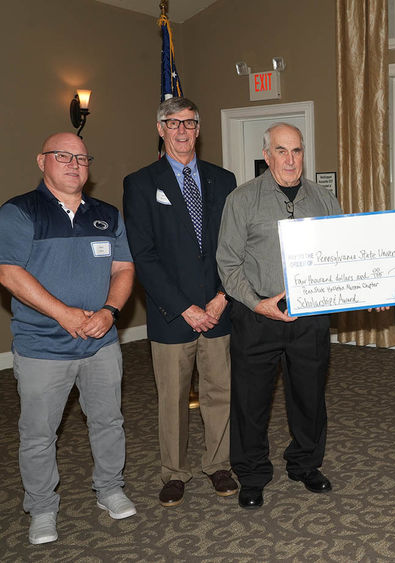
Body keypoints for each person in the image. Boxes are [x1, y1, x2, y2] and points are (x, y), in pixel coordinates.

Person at [0, 133, 136, 544]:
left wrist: (110, 312)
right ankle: (41, 508)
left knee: (108, 421)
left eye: (81, 157)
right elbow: (9, 273)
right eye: (63, 156)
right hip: (43, 348)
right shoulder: (20, 211)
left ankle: (110, 488)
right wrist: (65, 315)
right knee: (39, 434)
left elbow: (124, 269)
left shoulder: (107, 214)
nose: (74, 163)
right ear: (43, 161)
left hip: (100, 344)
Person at [217, 122, 343, 509]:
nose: (290, 159)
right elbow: (228, 263)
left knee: (308, 397)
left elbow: (341, 254)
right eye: (282, 151)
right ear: (267, 155)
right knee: (251, 402)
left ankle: (305, 463)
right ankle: (252, 474)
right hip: (257, 316)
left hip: (310, 318)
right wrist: (257, 303)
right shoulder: (242, 200)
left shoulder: (324, 200)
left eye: (297, 151)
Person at [123, 97, 238, 507]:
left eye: (190, 123)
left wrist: (223, 298)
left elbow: (232, 246)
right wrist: (186, 307)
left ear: (199, 128)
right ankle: (174, 472)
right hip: (171, 314)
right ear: (160, 129)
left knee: (219, 392)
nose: (183, 131)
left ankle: (218, 464)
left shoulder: (224, 180)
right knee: (172, 399)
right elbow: (144, 255)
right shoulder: (140, 183)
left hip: (219, 308)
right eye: (174, 124)